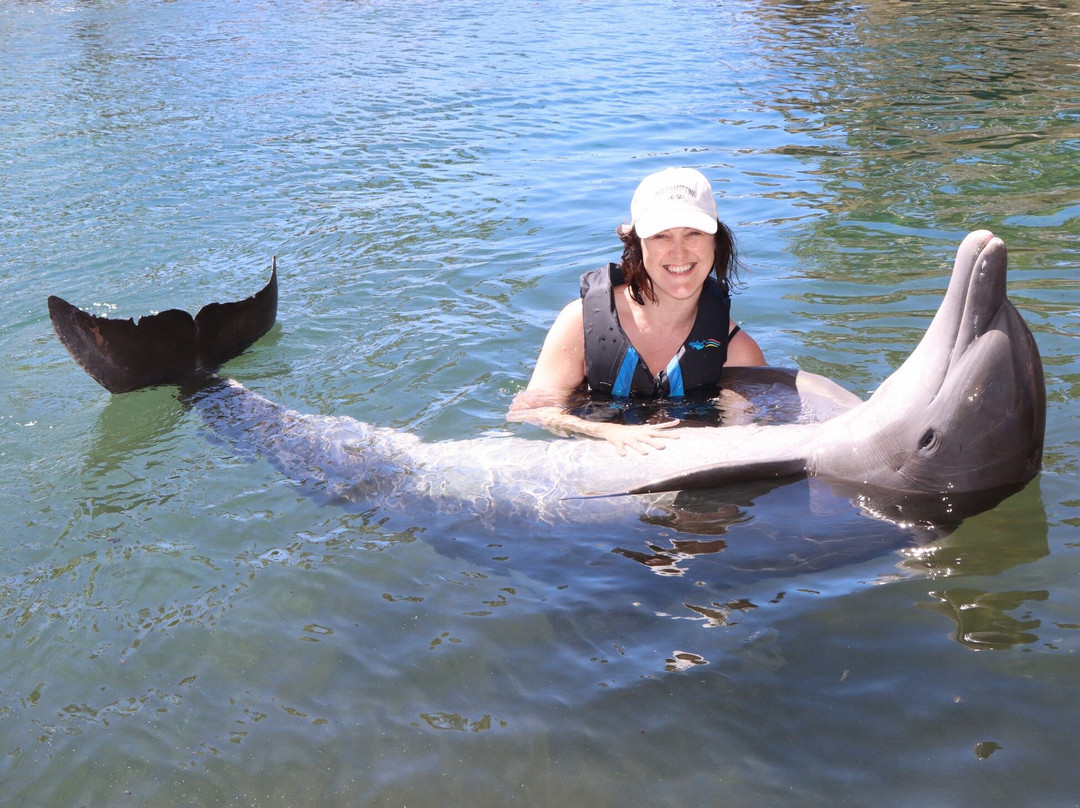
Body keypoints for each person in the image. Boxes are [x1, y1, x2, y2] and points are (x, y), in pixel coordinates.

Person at [509, 167, 766, 455]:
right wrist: (603, 431)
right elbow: (528, 413)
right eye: (661, 236)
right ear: (636, 245)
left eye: (693, 233)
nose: (679, 253)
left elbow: (747, 438)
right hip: (592, 462)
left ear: (715, 242)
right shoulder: (580, 323)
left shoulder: (737, 351)